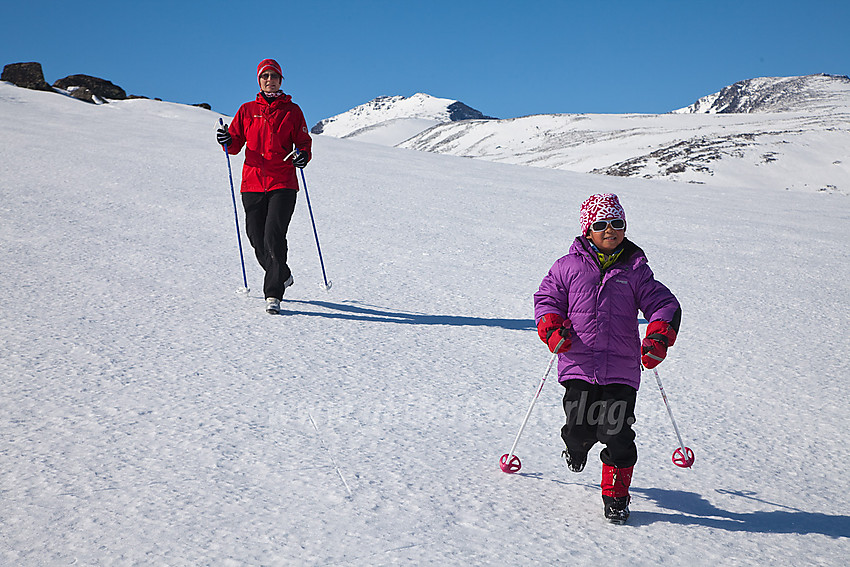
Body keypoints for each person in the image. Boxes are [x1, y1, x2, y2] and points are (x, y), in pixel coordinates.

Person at [533, 193, 681, 524]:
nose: (610, 230)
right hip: (579, 363)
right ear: (588, 230)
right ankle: (576, 446)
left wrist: (658, 336)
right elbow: (547, 300)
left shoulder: (636, 270)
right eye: (601, 224)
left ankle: (616, 496)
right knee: (579, 427)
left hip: (621, 368)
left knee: (616, 432)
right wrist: (552, 329)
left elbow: (663, 304)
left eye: (617, 224)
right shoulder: (567, 266)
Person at [216, 58, 313, 314]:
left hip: (283, 182)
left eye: (274, 76)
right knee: (256, 237)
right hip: (252, 182)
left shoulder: (292, 111)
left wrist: (303, 154)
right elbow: (235, 144)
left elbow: (303, 142)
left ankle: (273, 294)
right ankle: (282, 273)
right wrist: (226, 139)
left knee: (273, 234)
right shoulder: (247, 110)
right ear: (259, 80)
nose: (269, 80)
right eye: (265, 76)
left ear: (281, 80)